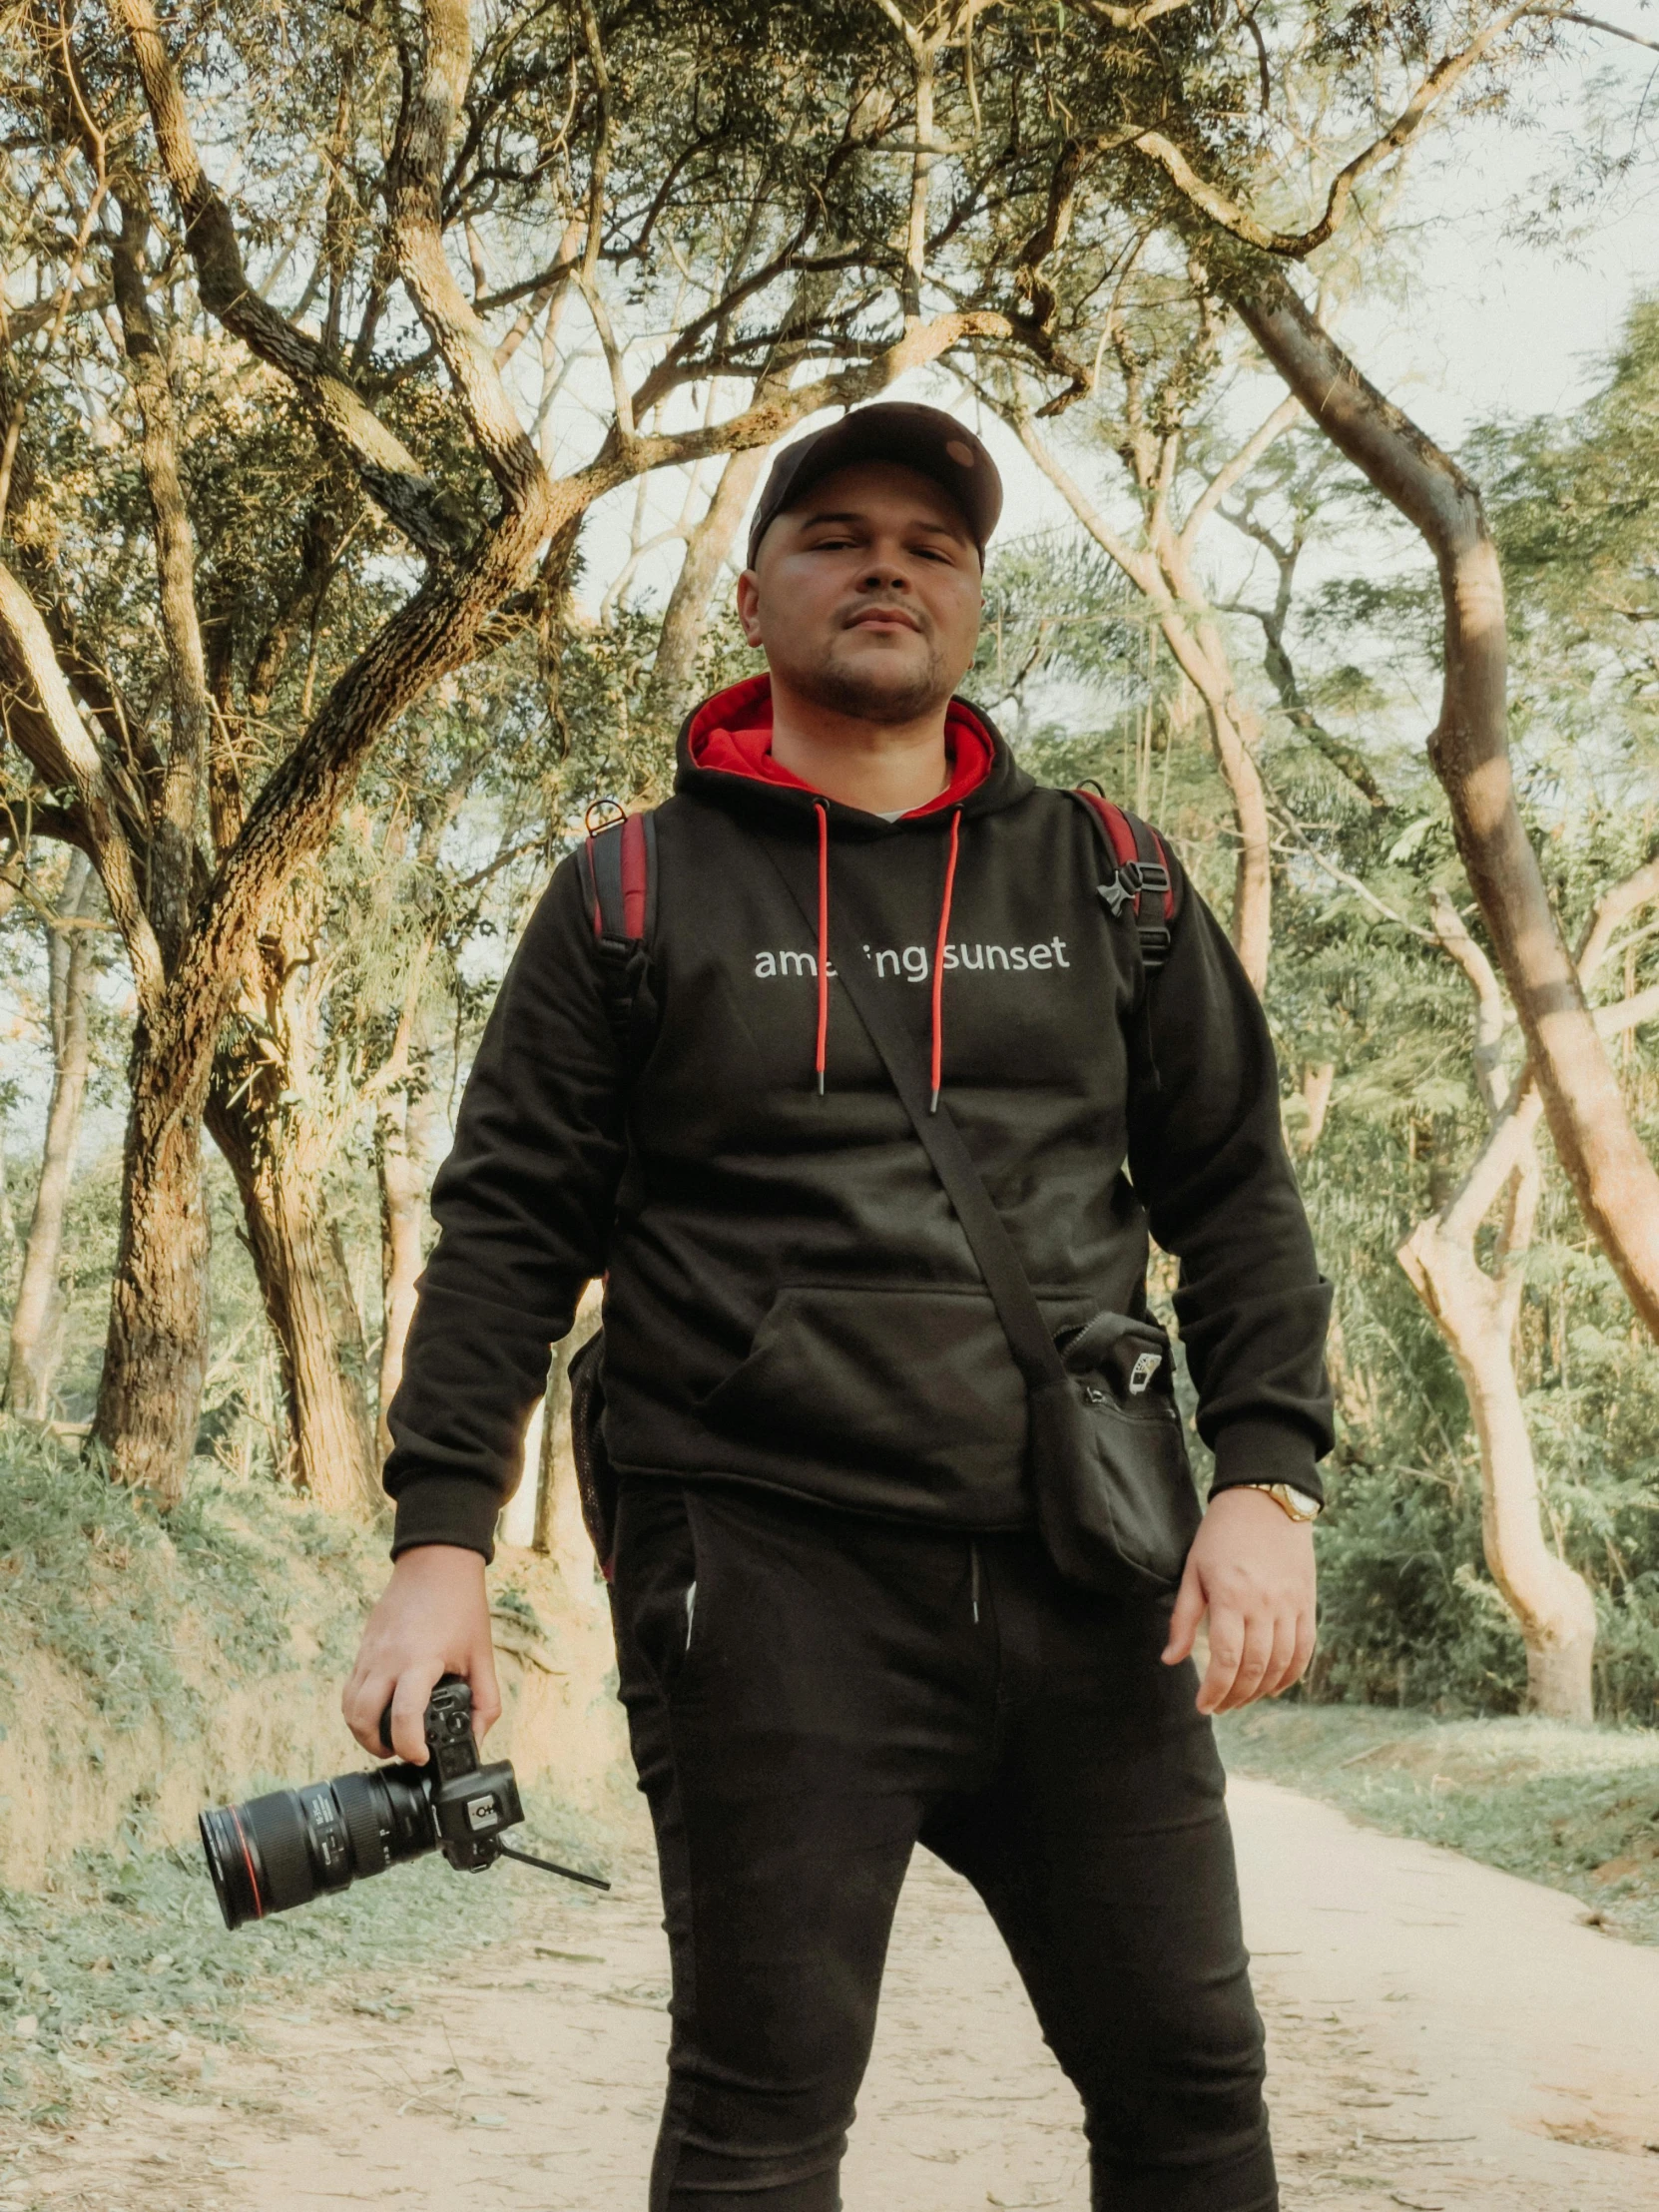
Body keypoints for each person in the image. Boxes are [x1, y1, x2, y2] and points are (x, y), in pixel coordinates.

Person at [342, 401, 1332, 2212]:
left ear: (971, 606)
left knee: (1190, 2087)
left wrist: (1263, 1486)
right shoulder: (630, 892)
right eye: (835, 535)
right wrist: (439, 1548)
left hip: (1091, 1571)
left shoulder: (1110, 879)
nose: (888, 563)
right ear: (748, 596)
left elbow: (1238, 1196)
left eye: (931, 544)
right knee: (759, 2112)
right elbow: (505, 1229)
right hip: (766, 1579)